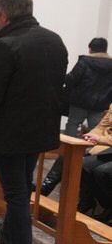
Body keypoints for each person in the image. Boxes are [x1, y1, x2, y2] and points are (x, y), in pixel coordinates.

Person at [0, 0, 67, 244]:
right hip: (41, 131)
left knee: (15, 195)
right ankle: (6, 237)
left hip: (12, 132)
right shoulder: (54, 40)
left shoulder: (8, 45)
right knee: (21, 188)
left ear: (3, 15)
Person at [42, 37, 112, 195]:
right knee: (94, 133)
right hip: (100, 104)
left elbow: (72, 79)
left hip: (80, 102)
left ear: (90, 48)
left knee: (71, 134)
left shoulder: (85, 62)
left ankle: (50, 183)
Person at [77, 106, 112, 220]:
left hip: (107, 143)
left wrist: (99, 139)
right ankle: (103, 205)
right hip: (108, 145)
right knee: (83, 165)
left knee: (102, 171)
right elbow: (102, 126)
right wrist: (90, 136)